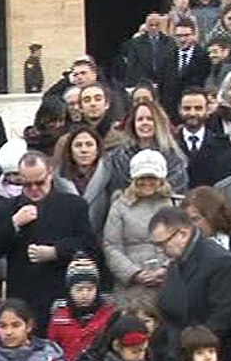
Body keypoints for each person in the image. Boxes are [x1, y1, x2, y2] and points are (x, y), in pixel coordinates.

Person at [0, 151, 98, 328]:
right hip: (24, 296)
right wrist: (13, 224)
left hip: (62, 293)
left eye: (39, 183)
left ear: (50, 174)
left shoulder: (73, 205)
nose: (34, 189)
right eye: (27, 184)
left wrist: (56, 251)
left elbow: (89, 245)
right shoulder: (8, 208)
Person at [148, 206, 231, 361]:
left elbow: (223, 318)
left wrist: (188, 350)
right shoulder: (177, 262)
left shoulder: (221, 262)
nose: (161, 251)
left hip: (204, 358)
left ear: (183, 234)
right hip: (173, 354)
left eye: (163, 244)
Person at [85, 100, 188, 231]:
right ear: (133, 124)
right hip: (126, 226)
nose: (144, 123)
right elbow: (110, 192)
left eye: (150, 119)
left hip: (164, 223)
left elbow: (178, 194)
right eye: (140, 119)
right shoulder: (117, 158)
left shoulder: (174, 159)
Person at [102, 150, 176, 302]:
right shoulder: (119, 206)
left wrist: (166, 269)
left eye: (152, 177)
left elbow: (182, 242)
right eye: (142, 178)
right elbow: (111, 246)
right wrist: (134, 273)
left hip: (167, 281)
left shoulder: (174, 204)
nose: (147, 182)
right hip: (131, 284)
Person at [47, 261, 114, 361]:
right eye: (79, 289)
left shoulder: (109, 314)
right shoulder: (59, 316)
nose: (85, 294)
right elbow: (52, 347)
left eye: (90, 289)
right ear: (70, 290)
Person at [183, 185, 231, 271]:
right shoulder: (188, 255)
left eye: (195, 219)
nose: (191, 226)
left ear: (213, 216)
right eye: (186, 221)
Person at [176, 88, 231, 187]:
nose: (192, 113)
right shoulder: (170, 143)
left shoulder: (222, 145)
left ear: (207, 110)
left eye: (198, 108)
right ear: (179, 110)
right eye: (187, 108)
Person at [160, 18, 211, 118]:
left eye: (186, 35)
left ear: (194, 35)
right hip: (170, 112)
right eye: (178, 36)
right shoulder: (167, 56)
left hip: (194, 111)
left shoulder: (204, 57)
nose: (182, 39)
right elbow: (162, 84)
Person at [120, 12, 176, 88]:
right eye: (151, 25)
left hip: (165, 82)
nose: (154, 28)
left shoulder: (170, 42)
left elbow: (173, 64)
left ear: (161, 26)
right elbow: (132, 65)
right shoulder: (135, 42)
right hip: (142, 81)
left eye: (157, 25)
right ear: (146, 25)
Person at [52, 124, 103, 197]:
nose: (84, 150)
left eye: (89, 144)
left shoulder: (109, 176)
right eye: (78, 145)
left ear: (97, 150)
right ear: (70, 151)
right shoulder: (57, 180)